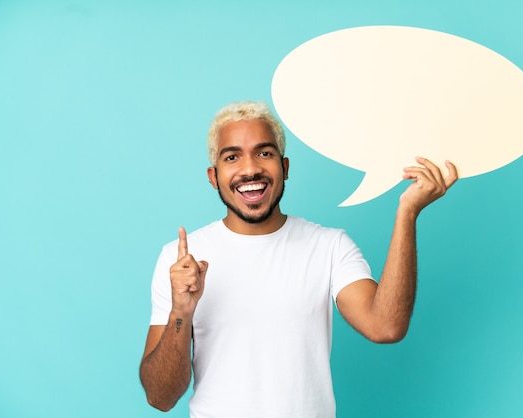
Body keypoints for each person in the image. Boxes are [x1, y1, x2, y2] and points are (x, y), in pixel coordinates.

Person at [139, 100, 457, 418]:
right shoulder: (180, 260)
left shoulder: (329, 246)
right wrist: (180, 312)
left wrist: (407, 212)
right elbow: (160, 396)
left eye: (264, 153)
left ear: (285, 167)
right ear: (214, 176)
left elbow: (385, 326)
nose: (250, 169)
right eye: (232, 157)